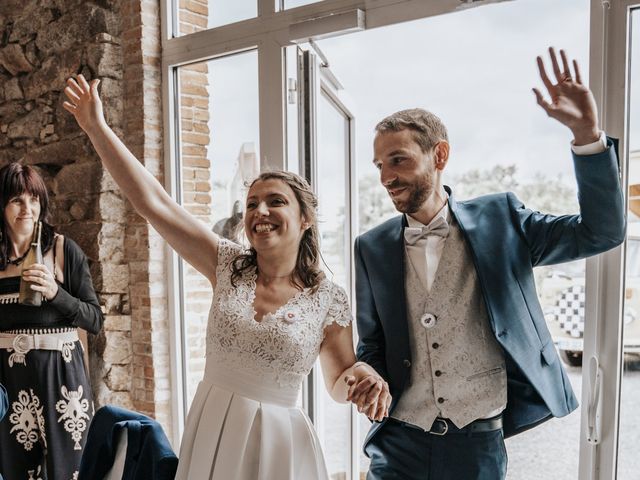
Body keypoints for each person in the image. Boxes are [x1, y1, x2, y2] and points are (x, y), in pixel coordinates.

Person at [63, 74, 392, 480]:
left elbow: (340, 381)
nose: (260, 211)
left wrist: (364, 377)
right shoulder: (227, 263)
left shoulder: (328, 297)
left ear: (305, 220)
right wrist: (96, 127)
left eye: (276, 202)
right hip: (213, 429)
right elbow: (153, 203)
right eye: (252, 202)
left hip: (280, 446)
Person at [351, 47, 625, 479]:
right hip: (398, 442)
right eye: (380, 164)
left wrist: (587, 136)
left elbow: (602, 231)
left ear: (439, 156)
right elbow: (373, 345)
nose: (386, 176)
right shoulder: (370, 246)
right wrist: (368, 374)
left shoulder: (502, 219)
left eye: (398, 159)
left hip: (476, 443)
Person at [0, 162, 104, 480]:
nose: (27, 208)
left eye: (34, 199)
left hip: (62, 380)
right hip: (9, 380)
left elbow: (94, 319)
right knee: (16, 471)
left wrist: (55, 292)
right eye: (17, 199)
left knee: (69, 471)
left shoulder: (61, 250)